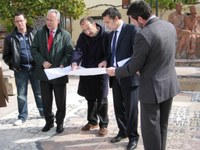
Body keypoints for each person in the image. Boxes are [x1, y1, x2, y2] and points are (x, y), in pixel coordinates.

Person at [106, 1, 180, 150]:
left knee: (150, 129)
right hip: (169, 84)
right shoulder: (169, 26)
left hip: (151, 88)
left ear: (140, 18)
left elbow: (133, 66)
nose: (133, 24)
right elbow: (164, 53)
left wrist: (116, 72)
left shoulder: (144, 34)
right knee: (162, 125)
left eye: (133, 20)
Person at [102, 7, 140, 150]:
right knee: (119, 108)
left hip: (129, 77)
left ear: (116, 18)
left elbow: (137, 55)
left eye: (108, 22)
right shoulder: (111, 35)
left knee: (131, 110)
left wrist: (119, 69)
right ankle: (122, 131)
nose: (106, 25)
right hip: (115, 78)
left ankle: (133, 137)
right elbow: (110, 54)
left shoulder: (132, 30)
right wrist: (106, 61)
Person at [31, 9, 73, 134]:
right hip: (44, 73)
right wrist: (42, 62)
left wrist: (63, 63)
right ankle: (49, 122)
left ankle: (59, 123)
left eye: (51, 20)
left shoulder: (65, 35)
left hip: (59, 73)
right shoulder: (40, 33)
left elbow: (69, 52)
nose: (48, 22)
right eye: (47, 19)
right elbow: (34, 49)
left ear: (58, 21)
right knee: (46, 100)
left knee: (60, 101)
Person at [2, 12, 43, 125]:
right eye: (17, 21)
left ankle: (43, 113)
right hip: (21, 70)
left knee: (39, 92)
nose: (19, 23)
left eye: (21, 20)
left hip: (35, 68)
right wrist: (14, 65)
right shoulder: (10, 37)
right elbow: (6, 56)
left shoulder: (35, 33)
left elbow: (41, 50)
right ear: (14, 22)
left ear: (25, 20)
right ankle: (22, 116)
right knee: (21, 95)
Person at [71, 17, 109, 136]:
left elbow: (110, 52)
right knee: (89, 97)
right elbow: (78, 50)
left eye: (88, 28)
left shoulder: (106, 35)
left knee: (102, 98)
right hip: (87, 70)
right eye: (84, 30)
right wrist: (75, 61)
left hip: (100, 71)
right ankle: (92, 121)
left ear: (94, 24)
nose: (87, 32)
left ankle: (103, 125)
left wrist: (105, 60)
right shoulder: (83, 37)